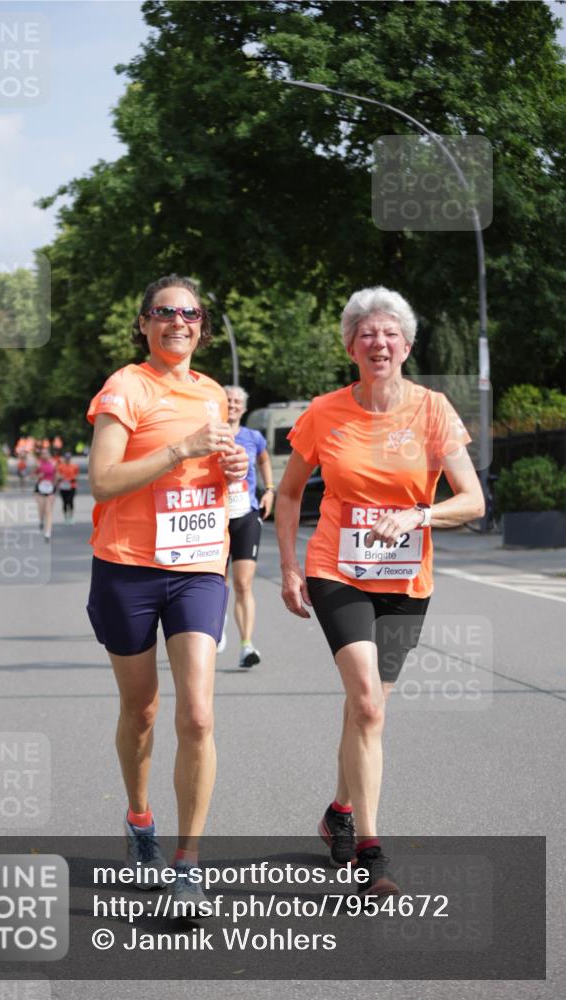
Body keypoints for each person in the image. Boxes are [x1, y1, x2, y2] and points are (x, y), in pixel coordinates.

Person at [275, 286, 484, 899]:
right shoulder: (323, 413)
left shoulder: (433, 409)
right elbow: (289, 495)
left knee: (368, 708)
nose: (379, 342)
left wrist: (418, 517)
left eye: (390, 333)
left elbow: (472, 499)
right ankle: (369, 848)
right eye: (366, 333)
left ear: (408, 345)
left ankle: (339, 809)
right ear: (350, 346)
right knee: (366, 703)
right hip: (336, 569)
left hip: (405, 578)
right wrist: (289, 567)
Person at [86, 274, 248, 911]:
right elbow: (101, 481)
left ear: (202, 326)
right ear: (146, 323)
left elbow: (216, 476)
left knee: (198, 714)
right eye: (164, 312)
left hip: (198, 566)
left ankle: (188, 862)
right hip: (127, 566)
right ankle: (139, 819)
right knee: (143, 710)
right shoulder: (126, 387)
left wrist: (230, 468)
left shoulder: (212, 393)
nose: (178, 321)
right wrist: (180, 447)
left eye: (190, 313)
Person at [219, 385, 275, 668]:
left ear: (244, 407)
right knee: (218, 583)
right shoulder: (211, 436)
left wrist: (270, 490)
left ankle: (246, 645)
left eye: (237, 401)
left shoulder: (253, 437)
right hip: (215, 519)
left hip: (246, 516)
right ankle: (217, 625)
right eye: (227, 400)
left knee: (243, 583)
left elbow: (264, 462)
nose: (232, 404)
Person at [34, 447, 57, 541]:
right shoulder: (38, 464)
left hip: (50, 489)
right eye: (42, 453)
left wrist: (55, 484)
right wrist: (38, 476)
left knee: (49, 511)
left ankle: (48, 533)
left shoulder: (54, 463)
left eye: (46, 453)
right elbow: (32, 476)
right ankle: (41, 521)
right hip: (40, 488)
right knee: (41, 510)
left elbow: (56, 475)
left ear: (49, 454)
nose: (44, 455)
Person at [56, 452, 79, 522]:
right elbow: (57, 476)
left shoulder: (74, 466)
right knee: (65, 502)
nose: (67, 459)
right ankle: (66, 517)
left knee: (71, 501)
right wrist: (60, 478)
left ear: (70, 458)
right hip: (63, 486)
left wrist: (73, 478)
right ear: (64, 458)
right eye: (66, 458)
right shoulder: (60, 466)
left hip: (72, 486)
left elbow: (77, 475)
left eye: (69, 458)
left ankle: (71, 517)